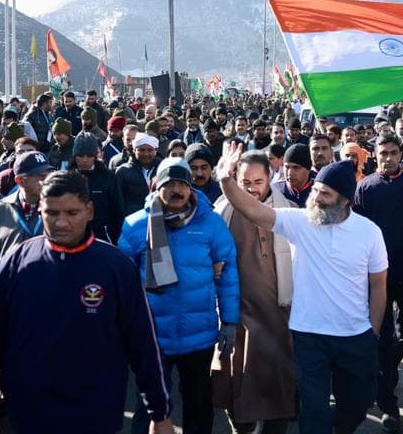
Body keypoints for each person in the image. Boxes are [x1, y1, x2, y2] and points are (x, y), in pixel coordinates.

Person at [0, 171, 174, 434]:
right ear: (40, 210)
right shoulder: (16, 262)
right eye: (52, 213)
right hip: (28, 415)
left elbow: (145, 344)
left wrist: (160, 413)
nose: (61, 223)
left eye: (71, 213)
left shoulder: (116, 267)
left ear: (89, 211)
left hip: (96, 415)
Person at [215, 141, 387, 434]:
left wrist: (372, 332)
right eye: (316, 190)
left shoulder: (369, 232)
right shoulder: (300, 222)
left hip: (354, 337)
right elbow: (253, 211)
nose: (316, 198)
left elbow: (379, 285)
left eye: (325, 194)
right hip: (309, 336)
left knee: (357, 405)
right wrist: (224, 179)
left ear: (345, 200)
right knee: (314, 409)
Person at [119, 159, 239, 434]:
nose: (176, 190)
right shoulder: (136, 225)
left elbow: (229, 273)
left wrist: (230, 321)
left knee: (198, 402)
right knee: (149, 404)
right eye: (169, 184)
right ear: (157, 186)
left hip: (199, 334)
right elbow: (122, 282)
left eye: (182, 184)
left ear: (191, 188)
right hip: (152, 334)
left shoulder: (210, 223)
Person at [212, 152, 298, 434]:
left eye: (258, 181)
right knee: (237, 388)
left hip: (279, 315)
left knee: (279, 391)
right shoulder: (221, 212)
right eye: (244, 181)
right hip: (237, 315)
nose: (251, 188)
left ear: (270, 178)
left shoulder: (289, 213)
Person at [354, 135, 403, 432]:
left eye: (393, 152)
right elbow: (359, 234)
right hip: (378, 279)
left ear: (401, 154)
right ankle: (389, 404)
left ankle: (386, 370)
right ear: (375, 156)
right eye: (383, 153)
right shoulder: (366, 188)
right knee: (384, 338)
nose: (388, 157)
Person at [0, 151, 54, 299]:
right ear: (20, 180)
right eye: (40, 176)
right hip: (7, 298)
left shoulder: (60, 210)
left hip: (48, 298)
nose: (46, 181)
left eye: (49, 175)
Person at [273, 142, 314, 207]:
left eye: (296, 167)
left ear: (308, 169)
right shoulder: (275, 190)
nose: (290, 173)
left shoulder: (319, 191)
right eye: (287, 167)